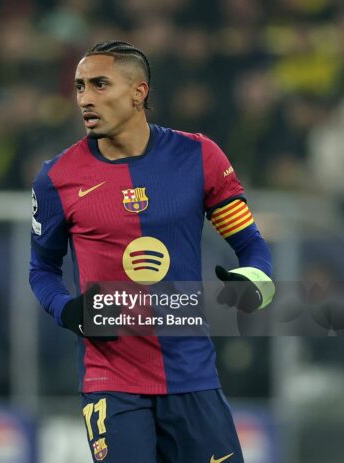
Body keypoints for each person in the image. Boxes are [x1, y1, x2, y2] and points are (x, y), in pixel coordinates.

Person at [29, 41, 274, 463]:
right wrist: (67, 310)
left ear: (138, 92)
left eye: (100, 84)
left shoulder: (199, 156)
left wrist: (254, 282)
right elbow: (42, 269)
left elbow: (250, 245)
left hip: (192, 374)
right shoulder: (57, 178)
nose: (86, 98)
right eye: (80, 86)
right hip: (111, 379)